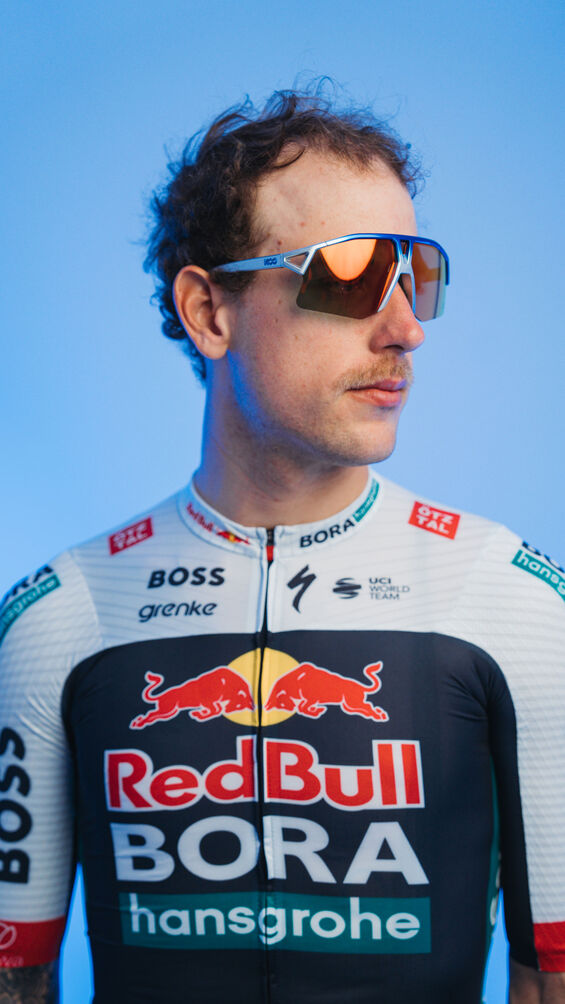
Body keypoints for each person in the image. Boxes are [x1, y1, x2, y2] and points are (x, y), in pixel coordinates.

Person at [0, 88, 563, 1004]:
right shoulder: (58, 618)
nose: (406, 329)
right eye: (348, 274)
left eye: (414, 273)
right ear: (208, 311)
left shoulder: (515, 605)